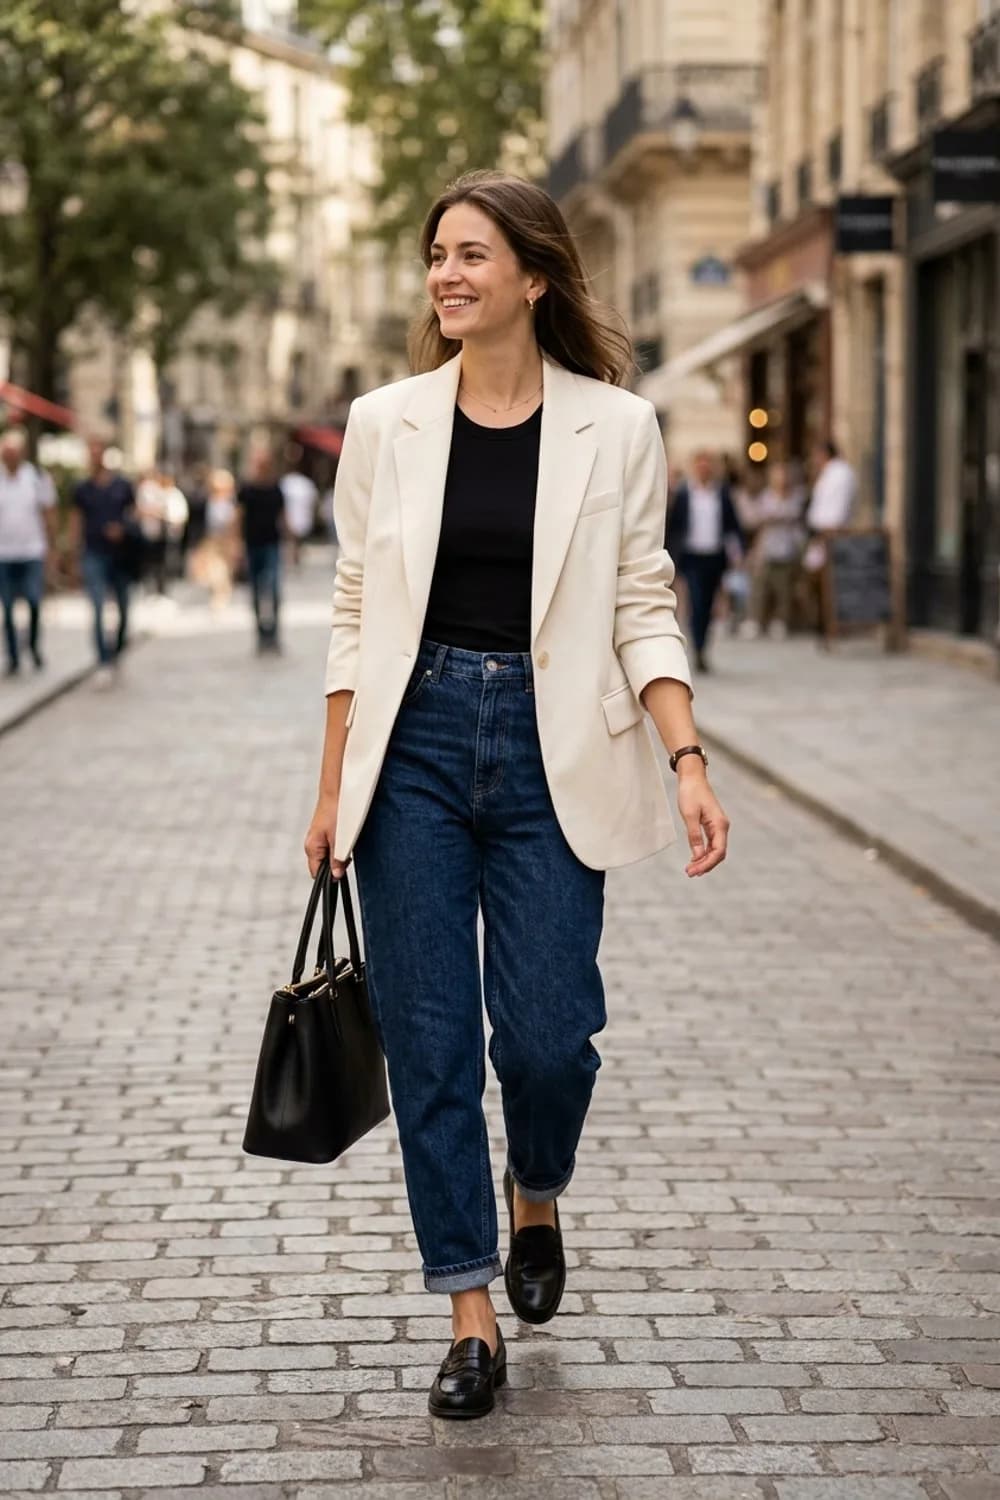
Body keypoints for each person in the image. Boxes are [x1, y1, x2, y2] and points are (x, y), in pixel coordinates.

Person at [303, 170, 731, 1420]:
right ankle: (468, 1310)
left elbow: (642, 603)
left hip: (559, 752)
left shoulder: (619, 425)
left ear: (532, 277)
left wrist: (687, 756)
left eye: (472, 255)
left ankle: (536, 1185)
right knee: (431, 1048)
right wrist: (332, 791)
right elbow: (350, 616)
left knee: (547, 1038)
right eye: (436, 254)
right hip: (416, 748)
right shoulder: (384, 423)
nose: (446, 274)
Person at [665, 450, 744, 672]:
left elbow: (732, 525)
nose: (704, 469)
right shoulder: (684, 494)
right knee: (697, 601)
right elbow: (673, 527)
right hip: (691, 556)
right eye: (700, 465)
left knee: (708, 605)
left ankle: (702, 646)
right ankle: (697, 647)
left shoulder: (721, 494)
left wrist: (738, 552)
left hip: (714, 556)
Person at [72, 442, 136, 686]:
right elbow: (77, 521)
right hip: (93, 553)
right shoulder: (82, 489)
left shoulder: (122, 486)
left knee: (122, 608)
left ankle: (116, 648)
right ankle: (103, 659)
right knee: (97, 608)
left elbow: (135, 514)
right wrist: (74, 555)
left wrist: (124, 529)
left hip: (121, 555)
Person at [0, 430, 57, 677]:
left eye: (12, 453)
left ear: (21, 454)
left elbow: (48, 512)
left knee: (34, 601)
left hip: (32, 550)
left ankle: (32, 646)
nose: (8, 457)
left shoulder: (35, 478)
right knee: (8, 607)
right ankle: (13, 656)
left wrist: (53, 548)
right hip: (4, 553)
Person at [743, 461, 806, 639]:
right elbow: (757, 520)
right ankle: (755, 620)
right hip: (768, 549)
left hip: (787, 550)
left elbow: (795, 520)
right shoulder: (767, 497)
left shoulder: (795, 497)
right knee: (760, 587)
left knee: (784, 589)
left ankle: (780, 621)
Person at [803, 439, 857, 630]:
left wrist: (826, 534)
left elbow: (836, 511)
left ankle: (831, 623)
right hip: (822, 534)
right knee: (817, 579)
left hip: (830, 535)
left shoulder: (840, 474)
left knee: (828, 582)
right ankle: (823, 622)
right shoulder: (830, 473)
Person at [237, 454, 285, 653]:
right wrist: (237, 545)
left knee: (273, 589)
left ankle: (273, 634)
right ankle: (260, 634)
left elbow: (283, 517)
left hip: (272, 544)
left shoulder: (275, 490)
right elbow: (238, 517)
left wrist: (292, 546)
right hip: (252, 544)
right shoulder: (247, 490)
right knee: (256, 589)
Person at [190, 468, 239, 612]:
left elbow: (236, 524)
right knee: (212, 571)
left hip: (226, 541)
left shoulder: (232, 503)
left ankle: (221, 596)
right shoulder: (207, 502)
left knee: (223, 571)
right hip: (211, 541)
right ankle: (217, 594)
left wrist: (235, 542)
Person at [279, 452, 319, 568]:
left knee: (292, 541)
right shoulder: (304, 483)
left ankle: (293, 559)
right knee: (293, 541)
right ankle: (293, 559)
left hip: (296, 517)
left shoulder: (286, 482)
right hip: (298, 517)